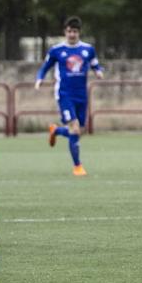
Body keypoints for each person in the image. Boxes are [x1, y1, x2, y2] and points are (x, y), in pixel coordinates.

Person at [35, 16, 103, 176]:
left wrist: (99, 71)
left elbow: (94, 64)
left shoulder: (88, 49)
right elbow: (45, 67)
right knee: (74, 127)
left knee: (81, 130)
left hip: (81, 95)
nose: (72, 34)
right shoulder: (56, 50)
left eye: (75, 31)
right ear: (65, 31)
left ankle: (56, 131)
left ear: (79, 32)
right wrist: (39, 79)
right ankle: (77, 166)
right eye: (69, 31)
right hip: (64, 94)